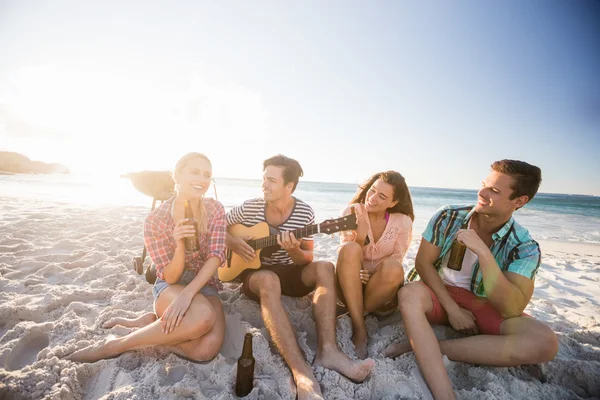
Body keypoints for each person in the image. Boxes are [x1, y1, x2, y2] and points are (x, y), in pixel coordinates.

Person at [383, 160, 558, 400]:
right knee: (409, 294)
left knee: (545, 342)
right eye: (484, 185)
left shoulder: (524, 246)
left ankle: (426, 348)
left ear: (519, 201)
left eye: (494, 191)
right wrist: (452, 309)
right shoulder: (448, 215)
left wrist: (484, 254)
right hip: (436, 294)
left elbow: (512, 308)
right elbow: (422, 263)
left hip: (482, 305)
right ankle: (445, 394)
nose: (482, 193)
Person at [225, 155, 374, 400]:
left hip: (289, 272)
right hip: (255, 273)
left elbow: (307, 257)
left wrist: (293, 249)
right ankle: (301, 371)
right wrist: (235, 243)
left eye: (271, 180)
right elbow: (219, 227)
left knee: (324, 266)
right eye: (264, 179)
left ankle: (328, 350)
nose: (264, 185)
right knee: (269, 279)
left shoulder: (304, 212)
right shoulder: (250, 207)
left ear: (289, 186)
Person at [65, 152, 226, 363]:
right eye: (195, 172)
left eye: (207, 175)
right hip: (171, 285)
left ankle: (150, 323)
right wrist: (179, 245)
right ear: (177, 175)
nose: (202, 180)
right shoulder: (155, 220)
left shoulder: (214, 209)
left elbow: (215, 256)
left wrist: (188, 295)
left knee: (205, 351)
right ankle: (115, 346)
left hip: (205, 283)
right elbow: (169, 275)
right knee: (203, 317)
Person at [336, 171, 414, 359]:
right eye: (372, 191)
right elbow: (345, 255)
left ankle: (360, 312)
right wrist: (361, 237)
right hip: (349, 284)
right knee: (350, 248)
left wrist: (371, 273)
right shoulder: (352, 212)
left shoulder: (403, 222)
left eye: (382, 196)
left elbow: (397, 259)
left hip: (380, 292)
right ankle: (360, 328)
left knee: (394, 268)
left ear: (393, 203)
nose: (372, 198)